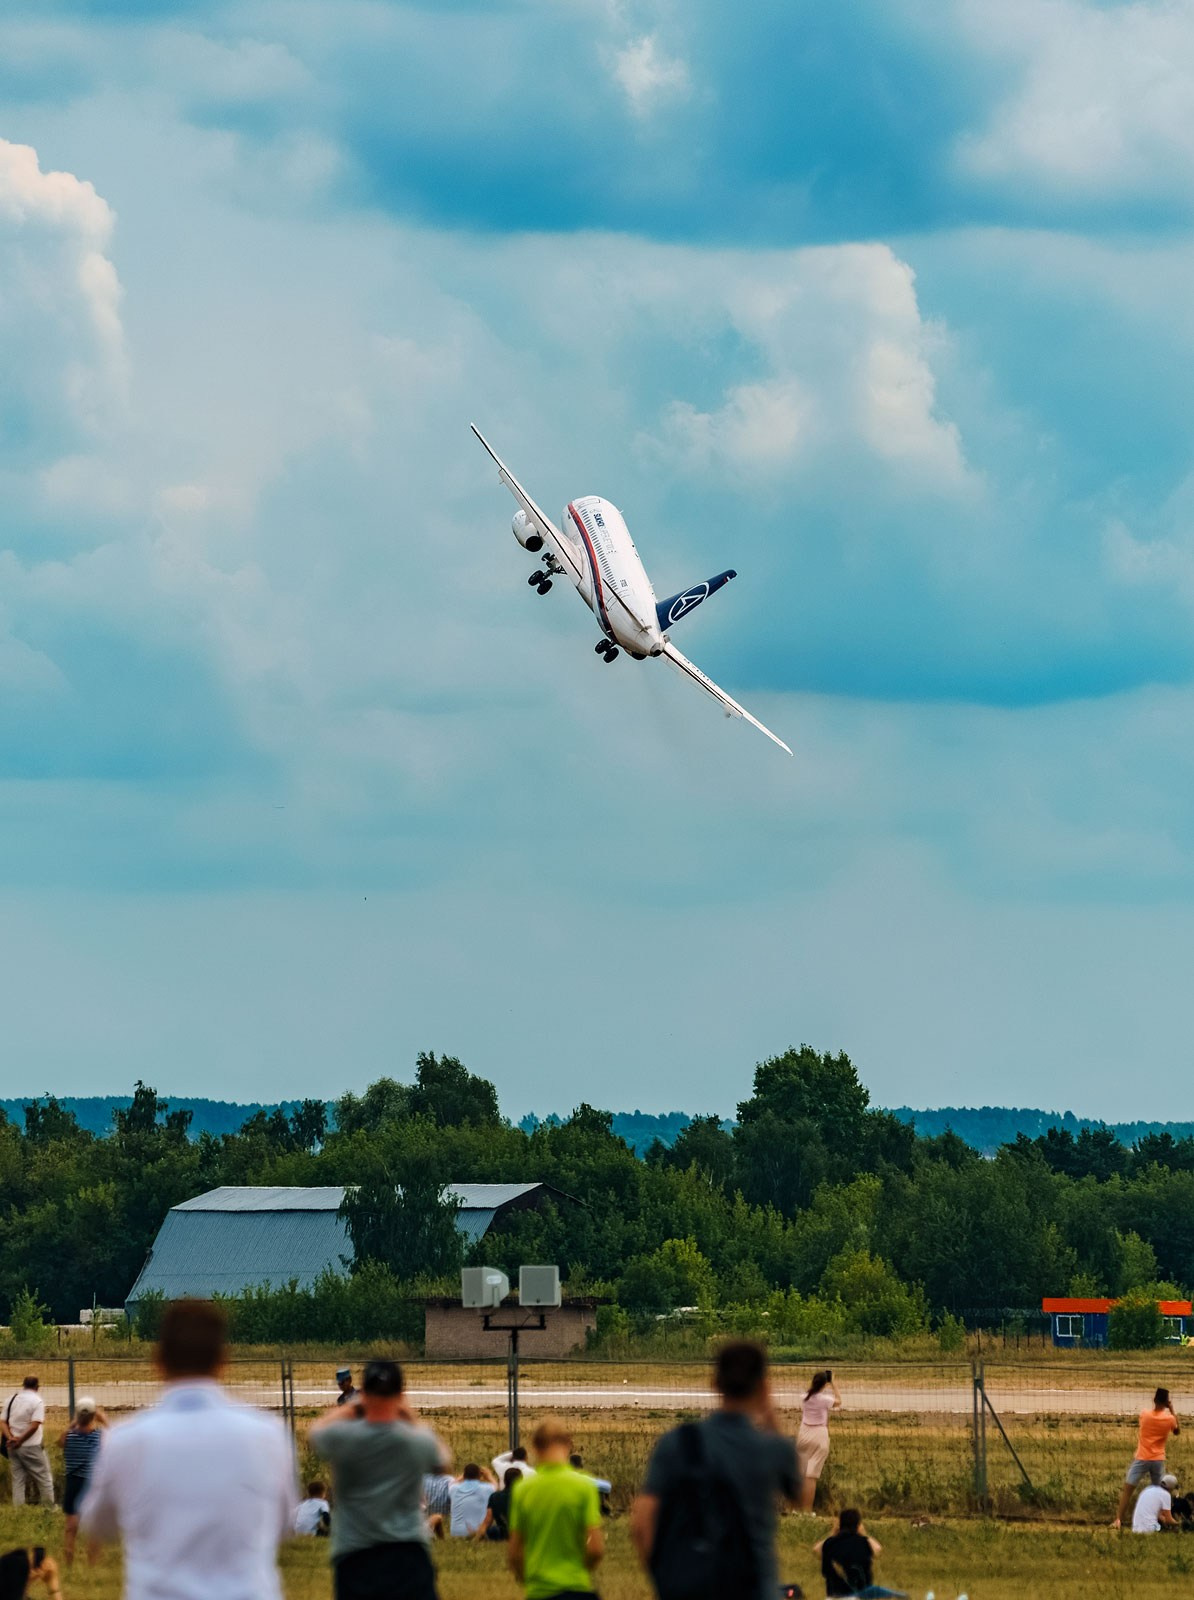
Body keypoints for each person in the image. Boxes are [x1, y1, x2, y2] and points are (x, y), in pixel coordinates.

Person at [79, 1298, 296, 1600]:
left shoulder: (125, 1440)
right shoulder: (268, 1435)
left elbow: (98, 1524)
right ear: (223, 1359)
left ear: (159, 1360)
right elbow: (284, 1524)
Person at [631, 1340, 800, 1600]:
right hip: (754, 1588)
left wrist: (665, 1580)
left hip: (690, 1586)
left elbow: (641, 1522)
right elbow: (797, 1494)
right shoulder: (774, 1449)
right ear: (764, 1387)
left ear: (715, 1383)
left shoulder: (678, 1443)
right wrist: (771, 1417)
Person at [311, 1357, 450, 1600]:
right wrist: (409, 1416)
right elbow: (443, 1462)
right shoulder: (416, 1441)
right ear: (400, 1394)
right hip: (408, 1552)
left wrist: (352, 1408)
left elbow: (315, 1434)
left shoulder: (343, 1438)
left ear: (364, 1392)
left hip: (355, 1554)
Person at [508, 1416, 603, 1599]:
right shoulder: (584, 1486)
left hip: (538, 1590)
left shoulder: (523, 1489)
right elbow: (596, 1549)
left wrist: (525, 1577)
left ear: (534, 1447)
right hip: (576, 1585)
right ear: (569, 1444)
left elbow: (515, 1553)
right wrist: (579, 1570)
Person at [1113, 1386, 1180, 1528]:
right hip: (1157, 1459)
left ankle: (1118, 1519)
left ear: (1154, 1400)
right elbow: (1177, 1430)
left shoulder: (1144, 1414)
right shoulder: (1169, 1419)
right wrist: (1172, 1410)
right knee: (1160, 1492)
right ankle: (1163, 1519)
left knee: (1128, 1489)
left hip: (1142, 1457)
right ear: (1166, 1402)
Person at [814, 1508, 907, 1598]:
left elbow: (816, 1549)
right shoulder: (863, 1542)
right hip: (858, 1595)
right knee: (876, 1590)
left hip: (832, 1596)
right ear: (858, 1525)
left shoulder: (829, 1543)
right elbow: (877, 1548)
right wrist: (863, 1534)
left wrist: (834, 1534)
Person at [59, 1398, 107, 1564]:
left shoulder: (69, 1436)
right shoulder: (99, 1437)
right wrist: (104, 1420)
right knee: (94, 1527)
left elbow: (61, 1441)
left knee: (71, 1527)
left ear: (77, 1416)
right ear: (94, 1415)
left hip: (73, 1482)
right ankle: (92, 1563)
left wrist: (74, 1423)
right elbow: (115, 1439)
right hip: (92, 1483)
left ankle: (68, 1560)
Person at [5, 1378, 54, 1508]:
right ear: (37, 1387)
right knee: (44, 1477)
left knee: (18, 1479)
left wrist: (11, 1438)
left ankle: (19, 1509)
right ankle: (49, 1507)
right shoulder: (37, 1401)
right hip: (31, 1445)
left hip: (12, 1446)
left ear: (23, 1386)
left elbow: (2, 1422)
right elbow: (34, 1425)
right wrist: (20, 1440)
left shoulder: (11, 1399)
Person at [798, 1370, 841, 1512]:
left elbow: (810, 1392)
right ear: (824, 1385)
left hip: (804, 1433)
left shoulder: (804, 1397)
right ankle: (807, 1510)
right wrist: (833, 1384)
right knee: (811, 1476)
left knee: (801, 1473)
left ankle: (795, 1508)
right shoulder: (825, 1400)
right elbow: (839, 1402)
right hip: (819, 1433)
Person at [474, 1467, 520, 1542]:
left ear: (504, 1481)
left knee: (493, 1530)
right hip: (521, 1534)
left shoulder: (495, 1497)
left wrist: (476, 1539)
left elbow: (487, 1521)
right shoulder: (525, 1497)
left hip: (503, 1533)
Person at [448, 1463, 494, 1536]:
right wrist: (489, 1476)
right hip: (478, 1532)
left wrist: (464, 1475)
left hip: (456, 1533)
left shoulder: (454, 1489)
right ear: (479, 1476)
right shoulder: (486, 1488)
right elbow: (496, 1487)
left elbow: (452, 1483)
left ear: (464, 1475)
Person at [423, 1468, 454, 1538]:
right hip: (444, 1511)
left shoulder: (423, 1478)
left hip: (426, 1509)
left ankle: (440, 1538)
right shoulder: (449, 1480)